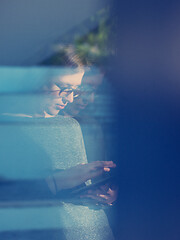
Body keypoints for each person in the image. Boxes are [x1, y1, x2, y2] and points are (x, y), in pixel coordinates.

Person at [0, 65, 116, 239]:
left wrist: (103, 193)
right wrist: (55, 183)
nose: (70, 98)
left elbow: (84, 183)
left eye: (75, 91)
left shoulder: (74, 126)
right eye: (64, 88)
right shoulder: (7, 129)